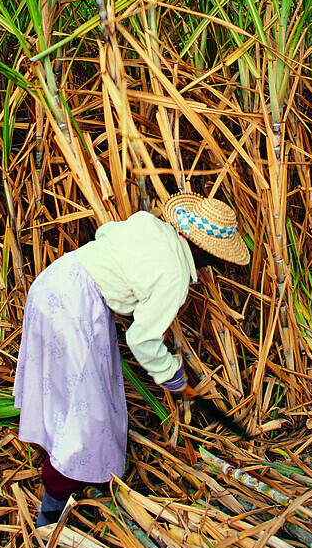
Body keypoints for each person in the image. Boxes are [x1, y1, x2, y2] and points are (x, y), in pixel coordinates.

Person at [13, 192, 250, 527]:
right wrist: (172, 375)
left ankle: (74, 481)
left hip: (55, 281)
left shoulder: (149, 224)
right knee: (87, 416)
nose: (219, 264)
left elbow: (105, 235)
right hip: (75, 309)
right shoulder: (174, 277)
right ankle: (48, 516)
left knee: (62, 398)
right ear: (201, 250)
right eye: (217, 258)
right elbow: (141, 339)